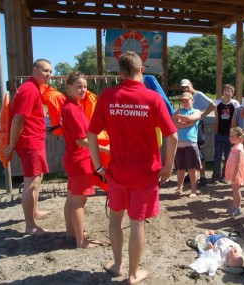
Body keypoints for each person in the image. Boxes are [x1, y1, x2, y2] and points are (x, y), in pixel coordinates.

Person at [87, 51, 178, 285]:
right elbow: (173, 136)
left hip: (117, 172)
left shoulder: (107, 96)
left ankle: (117, 265)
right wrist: (168, 165)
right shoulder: (153, 98)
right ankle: (133, 274)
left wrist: (98, 167)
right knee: (137, 222)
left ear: (119, 73)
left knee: (115, 220)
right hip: (146, 174)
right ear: (142, 70)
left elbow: (91, 133)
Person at [3, 59, 52, 235]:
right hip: (30, 142)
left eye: (50, 71)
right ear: (35, 70)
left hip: (35, 140)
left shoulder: (32, 87)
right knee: (31, 183)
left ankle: (35, 211)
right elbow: (18, 119)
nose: (49, 74)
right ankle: (30, 225)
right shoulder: (29, 89)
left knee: (37, 178)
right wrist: (11, 144)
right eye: (45, 70)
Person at [61, 72, 109, 248]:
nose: (83, 90)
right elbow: (81, 140)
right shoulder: (71, 109)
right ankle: (81, 241)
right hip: (79, 160)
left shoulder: (72, 105)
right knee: (79, 202)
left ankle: (71, 233)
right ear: (69, 88)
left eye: (85, 87)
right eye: (79, 86)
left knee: (72, 199)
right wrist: (104, 149)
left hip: (74, 158)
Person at [180, 79, 215, 187]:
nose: (185, 89)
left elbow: (213, 105)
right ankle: (191, 174)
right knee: (188, 149)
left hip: (197, 125)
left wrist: (202, 116)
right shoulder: (185, 96)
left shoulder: (198, 95)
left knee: (198, 149)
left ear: (191, 85)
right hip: (188, 126)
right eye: (183, 87)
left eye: (186, 86)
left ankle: (203, 175)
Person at [173, 92, 202, 198]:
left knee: (192, 168)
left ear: (192, 100)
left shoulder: (197, 111)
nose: (185, 103)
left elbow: (192, 118)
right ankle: (179, 188)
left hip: (191, 142)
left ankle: (193, 190)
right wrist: (188, 123)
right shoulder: (179, 110)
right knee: (180, 168)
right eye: (183, 101)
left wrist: (182, 119)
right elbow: (175, 124)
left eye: (187, 101)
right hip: (179, 143)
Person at [212, 84, 240, 185]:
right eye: (225, 90)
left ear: (232, 93)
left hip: (230, 135)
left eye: (229, 90)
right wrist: (215, 131)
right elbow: (216, 118)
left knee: (228, 156)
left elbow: (237, 118)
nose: (227, 92)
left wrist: (235, 134)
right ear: (223, 92)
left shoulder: (235, 103)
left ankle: (225, 176)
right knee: (217, 156)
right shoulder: (218, 102)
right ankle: (215, 176)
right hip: (219, 133)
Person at [224, 127, 244, 216]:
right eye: (230, 136)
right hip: (234, 172)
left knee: (236, 190)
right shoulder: (235, 147)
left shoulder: (238, 149)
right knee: (234, 190)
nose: (230, 138)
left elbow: (238, 163)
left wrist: (235, 175)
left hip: (236, 173)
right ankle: (234, 206)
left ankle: (237, 208)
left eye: (232, 136)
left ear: (239, 138)